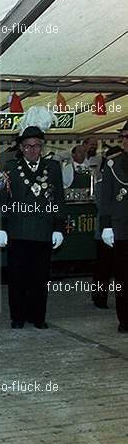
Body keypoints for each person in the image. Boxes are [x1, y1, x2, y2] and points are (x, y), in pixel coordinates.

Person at [0, 125, 65, 329]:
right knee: (17, 278)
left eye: (36, 146)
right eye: (27, 146)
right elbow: (3, 199)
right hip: (18, 230)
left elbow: (59, 199)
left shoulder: (52, 167)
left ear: (42, 147)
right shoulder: (10, 167)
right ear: (21, 148)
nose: (32, 151)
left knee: (40, 277)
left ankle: (38, 316)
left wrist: (59, 227)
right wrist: (1, 226)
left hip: (43, 231)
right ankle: (18, 316)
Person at [99, 134, 128, 333]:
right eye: (124, 137)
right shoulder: (112, 164)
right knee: (123, 277)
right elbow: (105, 197)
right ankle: (125, 319)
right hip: (122, 228)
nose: (126, 141)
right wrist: (106, 225)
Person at [92, 146, 123, 309]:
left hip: (120, 229)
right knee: (103, 266)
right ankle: (99, 296)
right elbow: (102, 204)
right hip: (105, 230)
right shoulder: (101, 182)